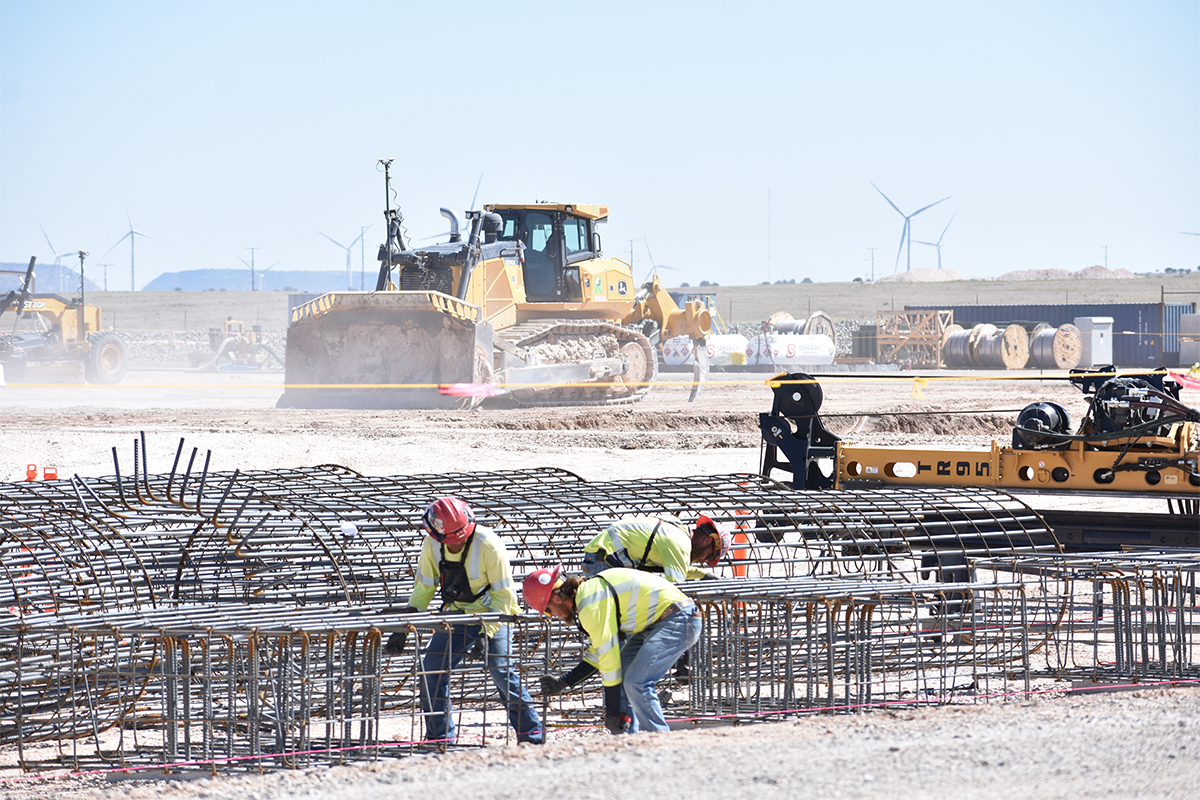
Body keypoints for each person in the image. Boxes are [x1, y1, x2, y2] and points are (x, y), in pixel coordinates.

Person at [383, 497, 542, 745]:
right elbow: (425, 587)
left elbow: (504, 596)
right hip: (456, 614)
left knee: (501, 673)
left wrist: (486, 634)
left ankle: (531, 736)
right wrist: (404, 626)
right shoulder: (432, 545)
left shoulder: (489, 545)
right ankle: (440, 739)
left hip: (495, 615)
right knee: (431, 672)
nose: (457, 542)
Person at [522, 564, 702, 734]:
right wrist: (563, 682)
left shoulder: (590, 606)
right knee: (624, 675)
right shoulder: (589, 594)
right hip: (660, 621)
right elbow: (599, 654)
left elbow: (609, 662)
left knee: (636, 682)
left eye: (547, 610)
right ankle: (626, 743)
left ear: (556, 598)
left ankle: (661, 744)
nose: (551, 616)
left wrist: (613, 712)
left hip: (678, 619)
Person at [581, 514, 731, 582]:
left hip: (601, 557)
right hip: (602, 562)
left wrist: (704, 576)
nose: (703, 561)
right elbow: (677, 587)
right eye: (709, 556)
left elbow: (680, 568)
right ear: (707, 541)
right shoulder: (679, 544)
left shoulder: (677, 531)